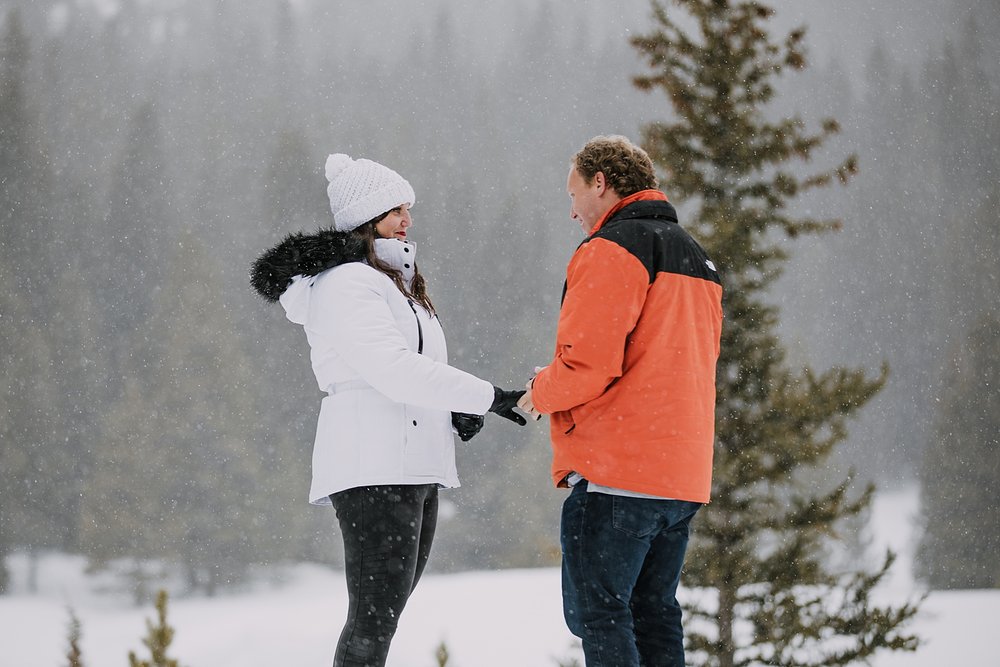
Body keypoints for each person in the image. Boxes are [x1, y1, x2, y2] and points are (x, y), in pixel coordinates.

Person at [250, 153, 526, 667]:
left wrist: (452, 411)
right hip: (373, 466)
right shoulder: (348, 284)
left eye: (407, 209)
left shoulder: (397, 285)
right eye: (396, 210)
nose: (408, 219)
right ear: (366, 219)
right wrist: (486, 397)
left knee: (385, 617)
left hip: (412, 465)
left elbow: (408, 372)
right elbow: (390, 371)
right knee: (372, 621)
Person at [517, 135, 723, 666]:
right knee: (654, 611)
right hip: (681, 474)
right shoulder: (697, 258)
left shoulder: (611, 249)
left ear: (601, 183)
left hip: (619, 472)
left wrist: (539, 391)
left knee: (601, 614)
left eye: (575, 193)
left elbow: (588, 365)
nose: (572, 211)